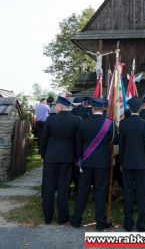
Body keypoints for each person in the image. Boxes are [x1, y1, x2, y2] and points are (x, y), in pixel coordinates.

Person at [70, 97, 115, 230]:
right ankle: (100, 223)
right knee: (100, 192)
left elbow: (78, 144)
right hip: (102, 163)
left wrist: (80, 159)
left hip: (86, 162)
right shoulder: (110, 124)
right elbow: (114, 141)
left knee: (82, 191)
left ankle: (77, 220)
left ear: (92, 108)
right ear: (103, 109)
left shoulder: (83, 123)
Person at [40, 96, 81, 225]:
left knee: (48, 188)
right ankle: (63, 217)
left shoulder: (50, 120)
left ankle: (48, 217)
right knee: (63, 188)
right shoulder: (76, 120)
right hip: (67, 158)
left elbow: (43, 140)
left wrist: (43, 155)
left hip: (51, 157)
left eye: (56, 105)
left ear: (61, 106)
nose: (55, 107)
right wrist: (76, 156)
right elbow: (77, 141)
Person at [119, 96, 145, 232]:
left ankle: (128, 223)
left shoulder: (123, 124)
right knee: (141, 193)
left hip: (126, 162)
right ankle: (142, 223)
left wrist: (121, 162)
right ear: (140, 108)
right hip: (141, 162)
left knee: (127, 193)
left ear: (130, 108)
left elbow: (121, 146)